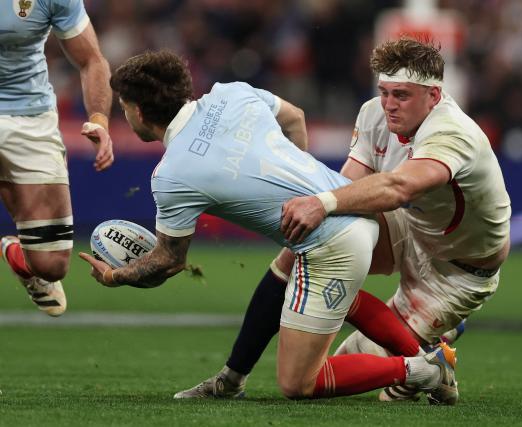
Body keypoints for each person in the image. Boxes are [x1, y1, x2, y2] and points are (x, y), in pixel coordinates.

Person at [79, 50, 458, 403]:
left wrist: (116, 277)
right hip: (352, 203)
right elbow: (295, 117)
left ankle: (421, 370)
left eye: (124, 108)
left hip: (333, 241)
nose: (125, 117)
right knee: (282, 276)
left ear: (140, 112)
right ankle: (231, 379)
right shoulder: (231, 93)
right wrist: (301, 187)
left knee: (298, 383)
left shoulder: (173, 174)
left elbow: (168, 261)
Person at [182, 37, 511, 403]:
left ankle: (436, 347)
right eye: (384, 92)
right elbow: (347, 185)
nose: (389, 105)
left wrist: (321, 203)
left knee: (355, 370)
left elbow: (399, 186)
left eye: (401, 95)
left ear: (433, 96)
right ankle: (232, 377)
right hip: (412, 229)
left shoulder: (452, 132)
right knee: (306, 249)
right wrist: (311, 215)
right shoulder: (374, 113)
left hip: (455, 273)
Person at [0, 0, 114, 317]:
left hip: (29, 117)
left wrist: (99, 120)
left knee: (51, 264)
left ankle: (21, 258)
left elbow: (91, 60)